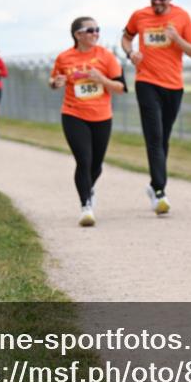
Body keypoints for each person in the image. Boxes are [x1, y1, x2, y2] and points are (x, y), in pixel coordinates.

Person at [121, 0, 191, 215]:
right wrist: (130, 53)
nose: (157, 1)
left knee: (163, 138)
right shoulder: (139, 15)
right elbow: (126, 36)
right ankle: (160, 192)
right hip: (146, 82)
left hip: (173, 86)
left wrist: (177, 39)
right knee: (154, 137)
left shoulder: (182, 17)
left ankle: (154, 185)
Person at [50, 17, 126, 226]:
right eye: (90, 30)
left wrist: (101, 79)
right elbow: (54, 79)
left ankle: (88, 188)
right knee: (84, 160)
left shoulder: (106, 56)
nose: (95, 34)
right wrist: (56, 82)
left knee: (96, 165)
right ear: (78, 35)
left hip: (102, 116)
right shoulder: (65, 57)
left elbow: (120, 88)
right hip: (73, 114)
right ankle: (86, 206)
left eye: (97, 30)